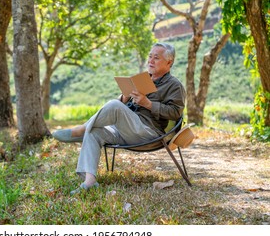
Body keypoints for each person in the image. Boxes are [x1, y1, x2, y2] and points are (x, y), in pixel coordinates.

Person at [52, 42, 186, 194]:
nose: (151, 61)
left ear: (169, 62)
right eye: (150, 56)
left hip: (148, 132)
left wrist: (148, 104)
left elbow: (175, 112)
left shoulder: (175, 85)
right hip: (126, 129)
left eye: (156, 57)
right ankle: (89, 181)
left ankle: (81, 129)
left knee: (113, 106)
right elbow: (121, 104)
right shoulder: (143, 78)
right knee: (95, 130)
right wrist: (125, 95)